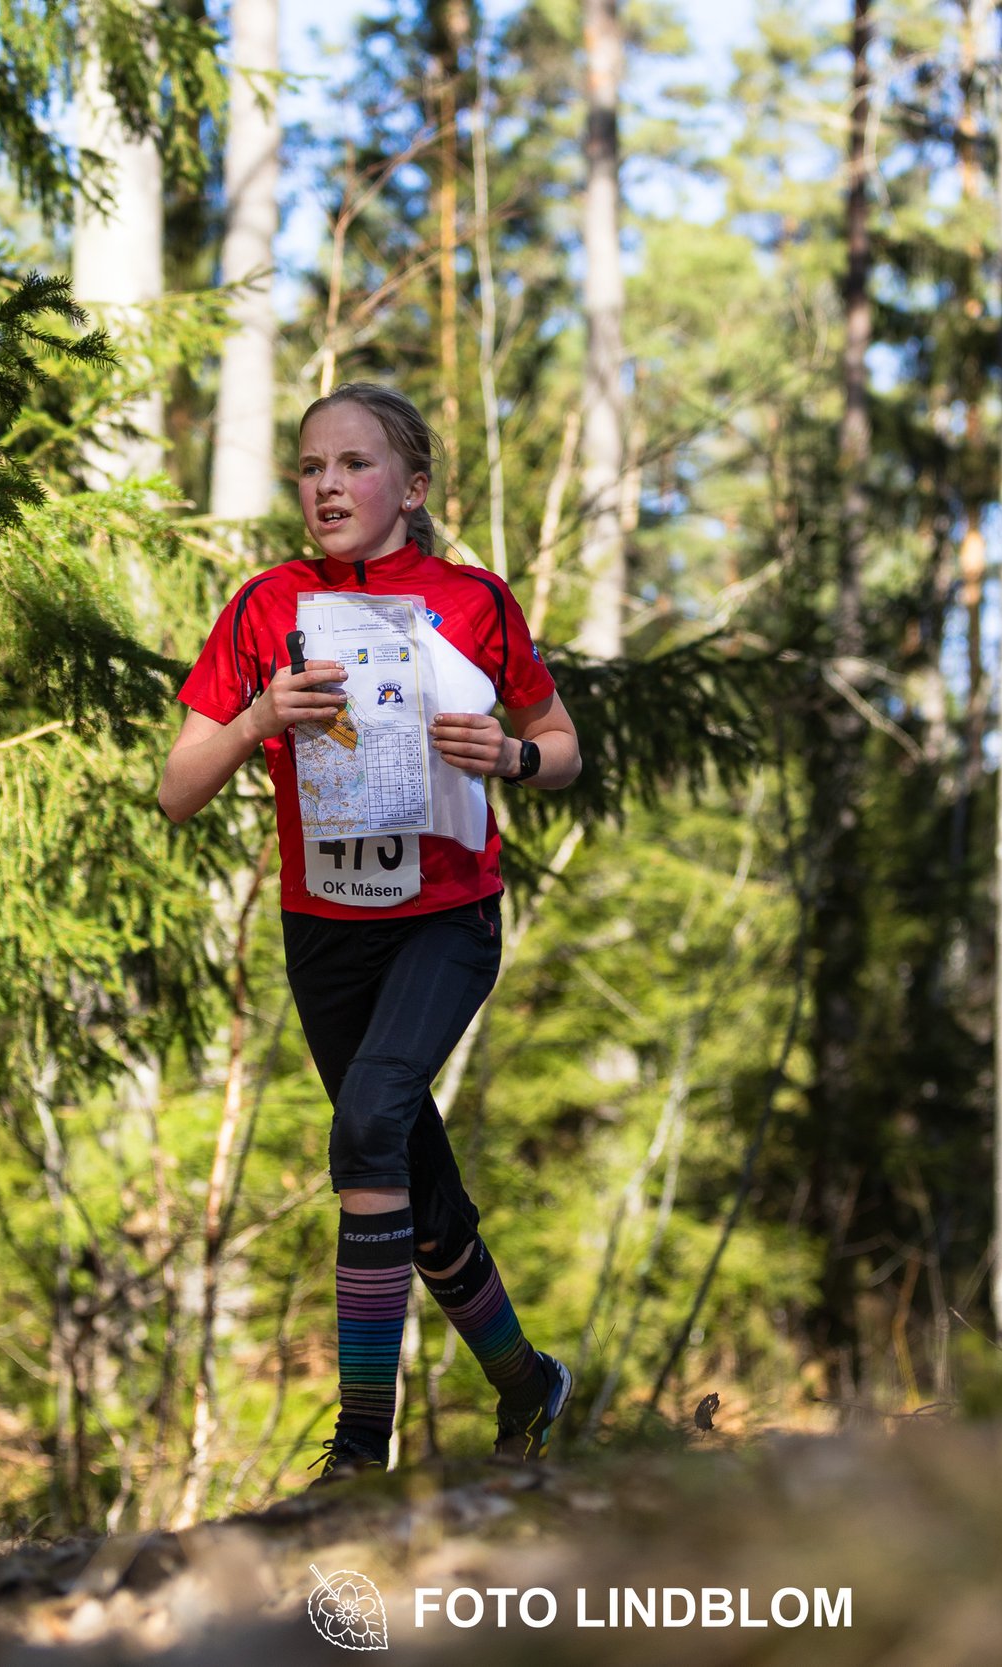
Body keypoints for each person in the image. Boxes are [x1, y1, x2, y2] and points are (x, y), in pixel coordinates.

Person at [156, 383, 584, 1486]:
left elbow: (560, 740)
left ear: (413, 486)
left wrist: (513, 758)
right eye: (311, 468)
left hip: (446, 917)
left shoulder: (473, 598)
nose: (328, 486)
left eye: (354, 464)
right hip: (325, 929)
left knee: (366, 1132)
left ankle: (357, 1448)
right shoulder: (266, 606)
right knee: (415, 1190)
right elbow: (176, 789)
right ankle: (530, 1383)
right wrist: (259, 719)